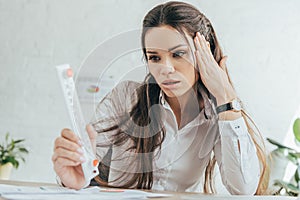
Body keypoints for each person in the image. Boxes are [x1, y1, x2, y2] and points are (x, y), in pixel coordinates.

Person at [52, 1, 268, 195]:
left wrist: (225, 96)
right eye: (155, 57)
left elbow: (243, 189)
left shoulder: (217, 115)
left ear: (205, 54)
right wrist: (77, 177)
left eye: (178, 54)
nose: (165, 68)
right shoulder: (126, 98)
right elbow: (86, 168)